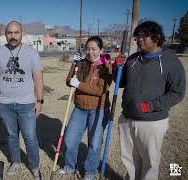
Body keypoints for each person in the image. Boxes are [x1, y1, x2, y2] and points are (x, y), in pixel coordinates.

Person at [116, 21, 186, 180]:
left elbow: (177, 93)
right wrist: (117, 68)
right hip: (127, 118)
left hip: (152, 121)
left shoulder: (170, 62)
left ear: (157, 37)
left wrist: (151, 106)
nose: (140, 40)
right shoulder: (133, 59)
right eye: (137, 37)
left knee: (150, 161)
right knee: (128, 158)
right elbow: (120, 83)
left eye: (144, 36)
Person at [0, 21, 44, 180]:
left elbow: (38, 78)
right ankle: (16, 161)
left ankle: (34, 166)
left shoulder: (31, 53)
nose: (13, 36)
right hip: (5, 103)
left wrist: (40, 101)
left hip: (26, 103)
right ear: (5, 34)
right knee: (12, 136)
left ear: (21, 33)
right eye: (10, 33)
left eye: (16, 32)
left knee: (30, 137)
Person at [57, 36, 112, 180]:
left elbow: (100, 90)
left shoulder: (106, 66)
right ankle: (69, 166)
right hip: (80, 108)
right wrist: (74, 65)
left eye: (94, 49)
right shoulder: (80, 63)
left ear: (101, 50)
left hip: (99, 109)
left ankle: (90, 172)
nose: (90, 52)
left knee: (94, 143)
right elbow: (69, 80)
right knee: (69, 140)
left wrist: (79, 85)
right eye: (87, 49)